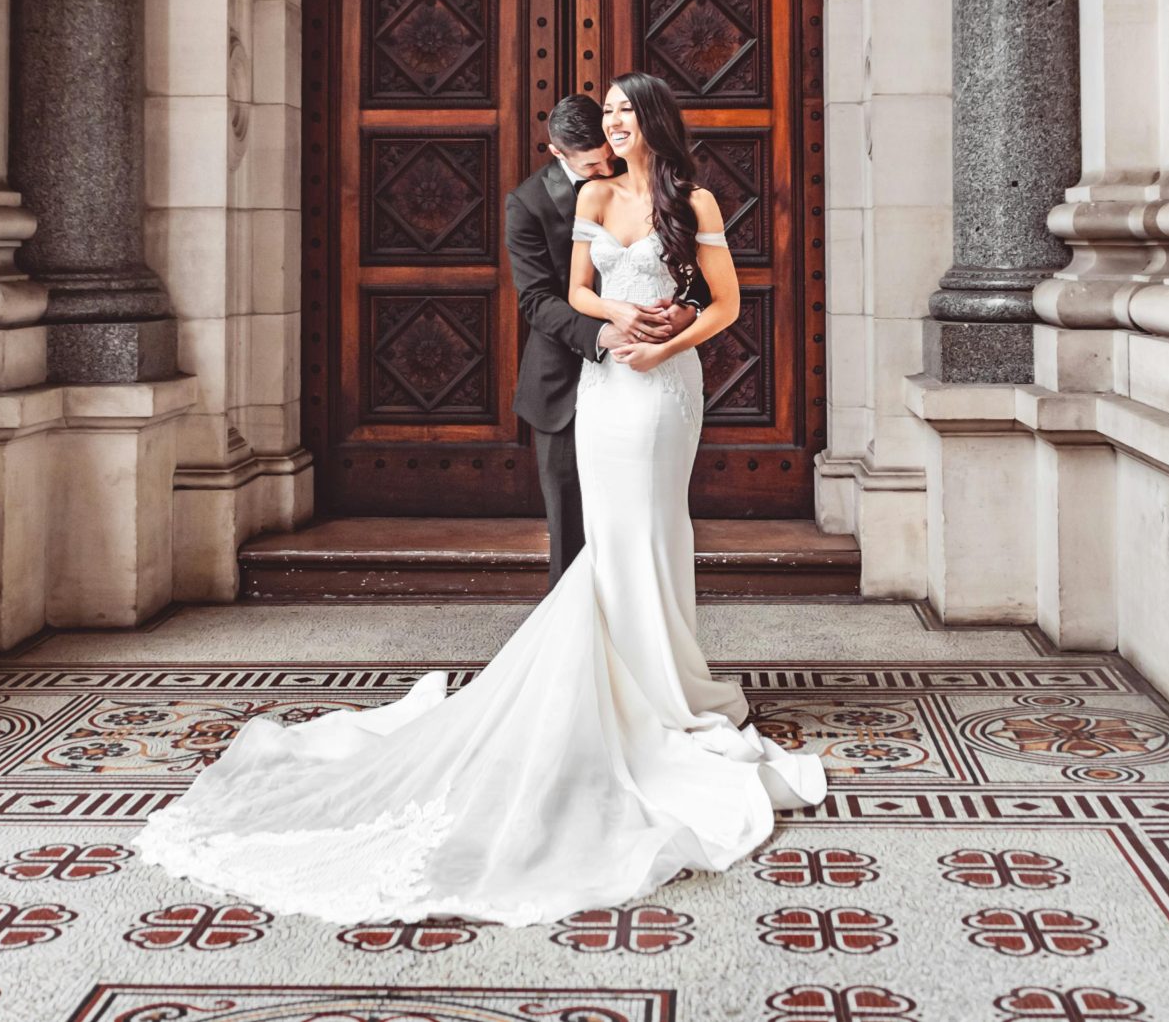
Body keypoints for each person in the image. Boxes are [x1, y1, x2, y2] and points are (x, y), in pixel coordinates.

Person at [133, 72, 825, 926]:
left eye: (623, 112)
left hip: (665, 386)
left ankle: (669, 681)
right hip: (602, 384)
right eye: (605, 113)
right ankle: (603, 691)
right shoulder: (578, 201)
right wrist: (616, 325)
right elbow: (561, 294)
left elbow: (726, 301)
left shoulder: (695, 201)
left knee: (659, 528)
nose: (613, 125)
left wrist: (669, 336)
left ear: (649, 122)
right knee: (604, 538)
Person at [504, 93, 700, 583]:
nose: (607, 169)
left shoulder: (649, 183)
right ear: (557, 153)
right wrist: (604, 331)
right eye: (592, 165)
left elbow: (692, 270)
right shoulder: (528, 203)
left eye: (610, 156)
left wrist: (684, 308)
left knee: (639, 513)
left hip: (645, 375)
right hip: (563, 382)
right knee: (572, 527)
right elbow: (536, 300)